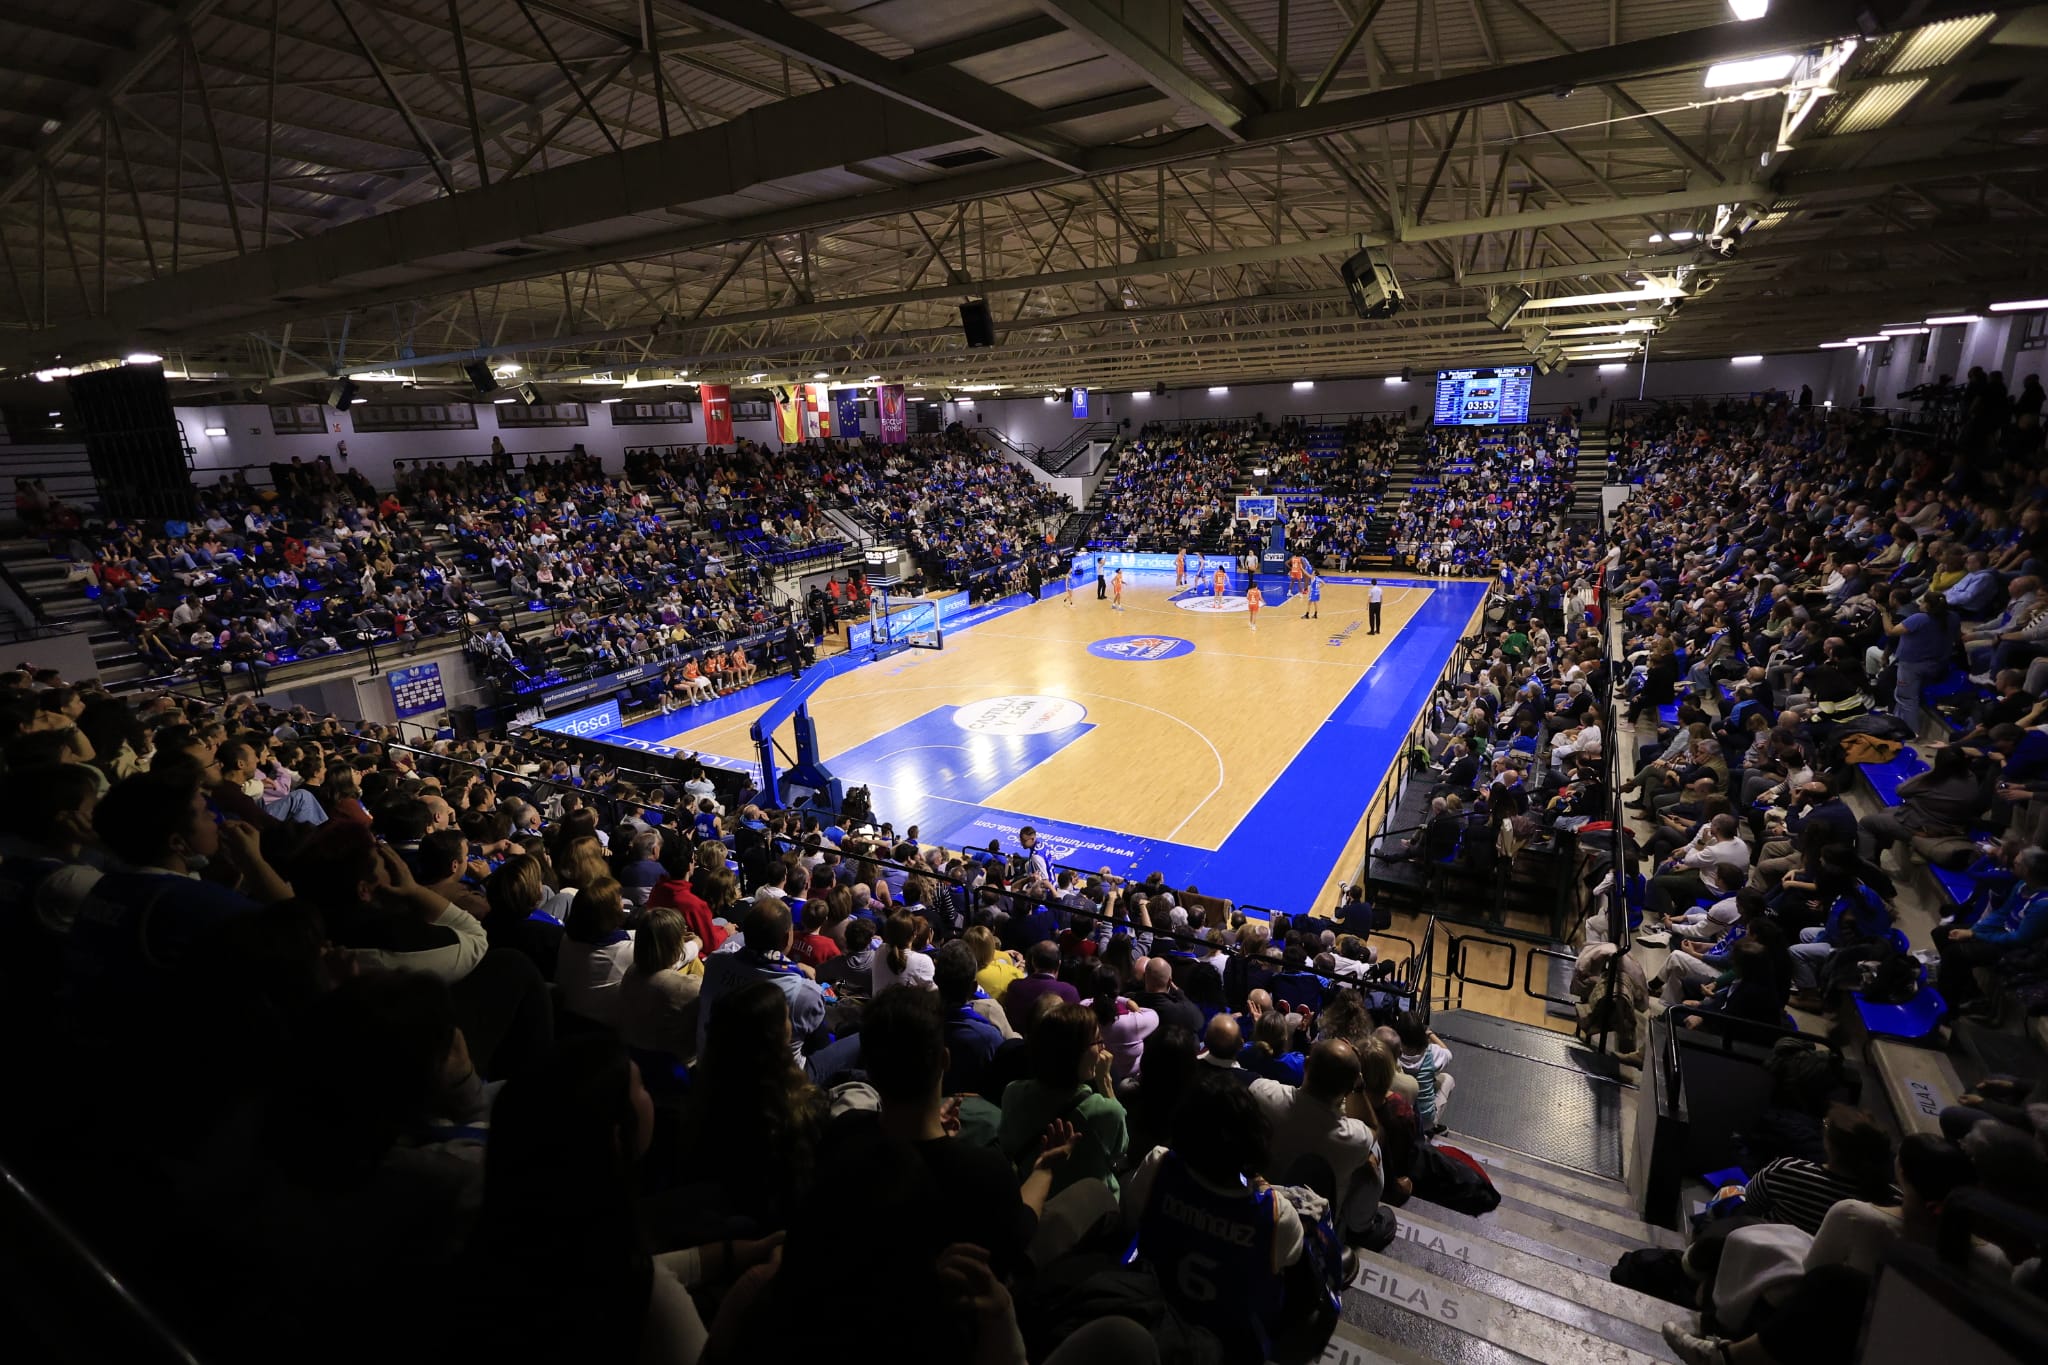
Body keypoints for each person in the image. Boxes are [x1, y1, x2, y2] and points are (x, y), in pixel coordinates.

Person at [1126, 1076, 1304, 1359]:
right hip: (1231, 1344)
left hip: (1154, 1320)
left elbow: (1131, 1215)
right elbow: (1291, 1262)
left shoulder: (1158, 1165)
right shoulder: (1275, 1213)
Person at [1253, 1037, 1390, 1247]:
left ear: (1306, 1065)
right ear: (1347, 1091)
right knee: (1375, 1153)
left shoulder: (1262, 1094)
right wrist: (1359, 1086)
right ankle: (1361, 1228)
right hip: (1314, 1231)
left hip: (1261, 1208)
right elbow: (1373, 1129)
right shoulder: (1354, 1137)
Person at [998, 1001, 1128, 1196]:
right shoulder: (1105, 1111)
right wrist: (1105, 1082)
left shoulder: (1012, 1093)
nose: (1103, 1048)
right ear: (1075, 1053)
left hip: (1031, 1200)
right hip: (1089, 1212)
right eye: (1097, 1041)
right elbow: (1121, 1150)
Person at [695, 900, 829, 1058]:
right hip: (775, 1080)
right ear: (786, 938)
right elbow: (819, 1045)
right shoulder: (805, 992)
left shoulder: (716, 961)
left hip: (710, 1066)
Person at [617, 906, 701, 1065]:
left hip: (632, 1059)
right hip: (677, 1068)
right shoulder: (687, 988)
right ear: (675, 945)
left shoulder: (632, 971)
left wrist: (694, 946)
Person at [555, 877, 633, 1028]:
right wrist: (693, 944)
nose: (622, 904)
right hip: (604, 1034)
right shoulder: (623, 951)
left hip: (567, 1022)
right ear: (611, 913)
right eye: (619, 900)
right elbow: (670, 956)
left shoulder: (567, 938)